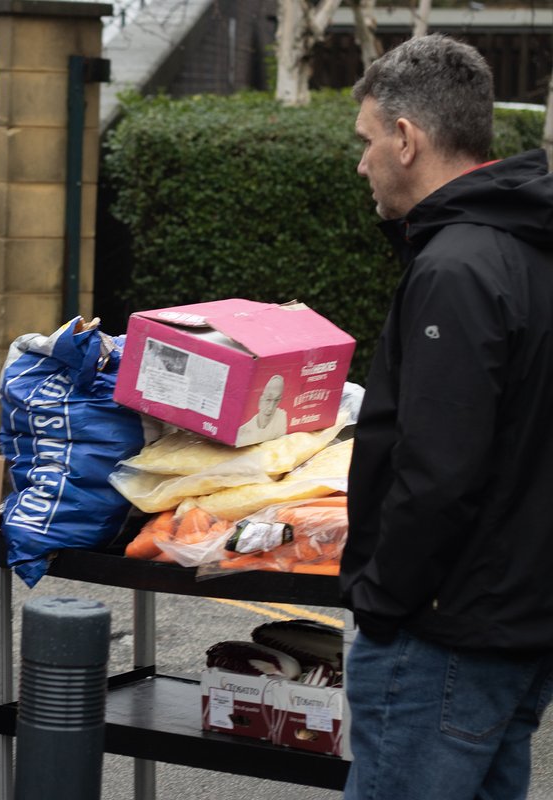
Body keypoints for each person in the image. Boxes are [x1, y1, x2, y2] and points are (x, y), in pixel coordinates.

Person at [340, 34, 553, 800]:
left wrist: (383, 600)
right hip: (511, 624)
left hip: (443, 635)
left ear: (407, 139)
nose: (361, 162)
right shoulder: (526, 243)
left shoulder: (458, 266)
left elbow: (438, 472)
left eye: (367, 142)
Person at [234, 374, 287, 446]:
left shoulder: (281, 417)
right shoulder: (242, 433)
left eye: (276, 400)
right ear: (260, 401)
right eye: (268, 399)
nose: (271, 408)